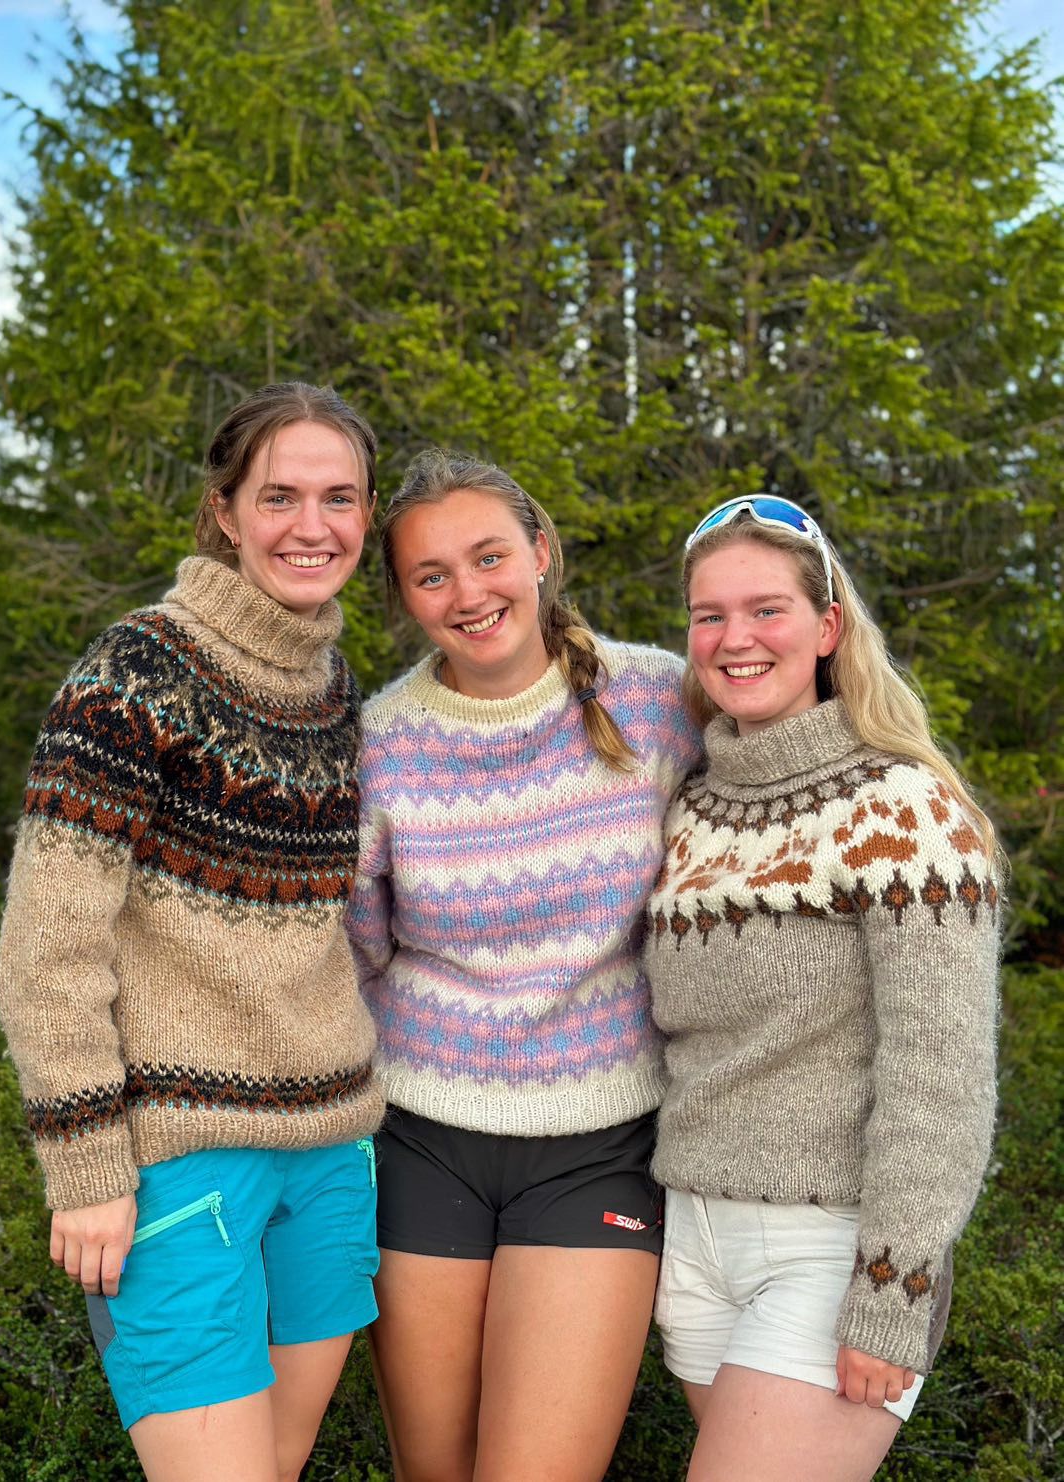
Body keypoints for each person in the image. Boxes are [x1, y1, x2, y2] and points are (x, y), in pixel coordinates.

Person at [0, 382, 386, 1482]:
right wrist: (85, 1167)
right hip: (177, 1163)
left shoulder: (332, 687)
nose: (313, 526)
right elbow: (46, 946)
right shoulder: (136, 673)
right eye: (281, 496)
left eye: (340, 498)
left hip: (330, 1149)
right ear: (224, 510)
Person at [346, 448, 699, 1481]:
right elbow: (355, 948)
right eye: (431, 575)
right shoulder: (379, 744)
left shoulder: (658, 702)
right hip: (423, 1143)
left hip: (599, 1145)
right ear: (405, 599)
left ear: (539, 553)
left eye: (489, 555)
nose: (469, 593)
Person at [644, 495, 1003, 1481]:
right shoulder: (689, 805)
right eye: (708, 615)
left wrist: (894, 1289)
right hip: (695, 1247)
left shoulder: (901, 803)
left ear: (826, 627)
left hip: (829, 1248)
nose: (734, 638)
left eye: (766, 610)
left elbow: (942, 1074)